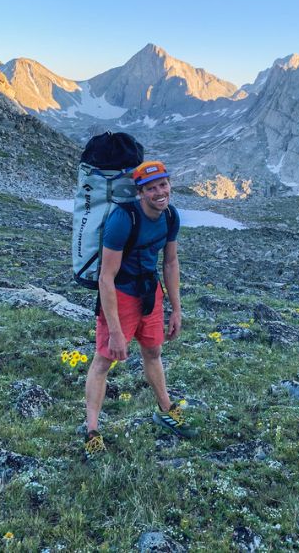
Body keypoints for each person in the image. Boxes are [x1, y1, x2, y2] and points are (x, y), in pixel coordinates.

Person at [83, 159, 194, 456]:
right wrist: (116, 332)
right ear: (141, 192)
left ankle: (166, 409)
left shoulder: (171, 216)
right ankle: (91, 430)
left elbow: (170, 262)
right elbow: (106, 278)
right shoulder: (124, 219)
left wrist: (176, 309)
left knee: (153, 352)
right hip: (120, 296)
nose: (160, 192)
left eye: (163, 184)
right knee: (104, 360)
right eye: (152, 188)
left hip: (150, 294)